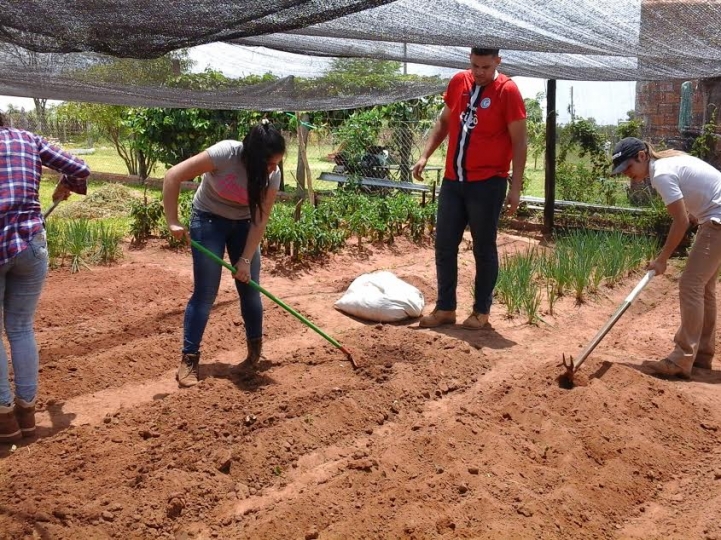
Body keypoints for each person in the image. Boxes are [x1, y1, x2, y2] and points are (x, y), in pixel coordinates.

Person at [163, 120, 286, 388]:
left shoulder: (271, 175)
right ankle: (189, 358)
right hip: (208, 220)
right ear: (252, 157)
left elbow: (260, 220)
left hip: (245, 224)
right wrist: (173, 220)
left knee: (250, 288)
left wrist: (244, 259)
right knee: (206, 292)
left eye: (277, 163)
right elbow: (173, 175)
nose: (274, 169)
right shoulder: (225, 154)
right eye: (269, 163)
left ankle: (254, 354)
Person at [412, 47, 527, 329]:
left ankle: (480, 312)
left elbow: (520, 142)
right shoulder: (458, 83)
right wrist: (425, 154)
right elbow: (444, 121)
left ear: (497, 62)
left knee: (483, 248)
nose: (479, 72)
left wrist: (516, 188)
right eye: (475, 65)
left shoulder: (508, 91)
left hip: (488, 183)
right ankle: (445, 308)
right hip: (454, 181)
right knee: (444, 245)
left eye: (486, 67)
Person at [0, 113, 90, 443]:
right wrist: (65, 185)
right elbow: (80, 168)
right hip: (29, 243)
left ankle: (5, 418)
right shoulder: (27, 139)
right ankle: (27, 414)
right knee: (21, 327)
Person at [612, 137, 721, 378]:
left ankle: (682, 359)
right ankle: (702, 355)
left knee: (691, 285)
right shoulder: (668, 162)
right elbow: (695, 197)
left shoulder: (660, 173)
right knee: (704, 289)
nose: (626, 174)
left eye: (628, 167)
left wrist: (662, 259)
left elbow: (680, 221)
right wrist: (695, 215)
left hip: (717, 219)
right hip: (713, 216)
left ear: (642, 156)